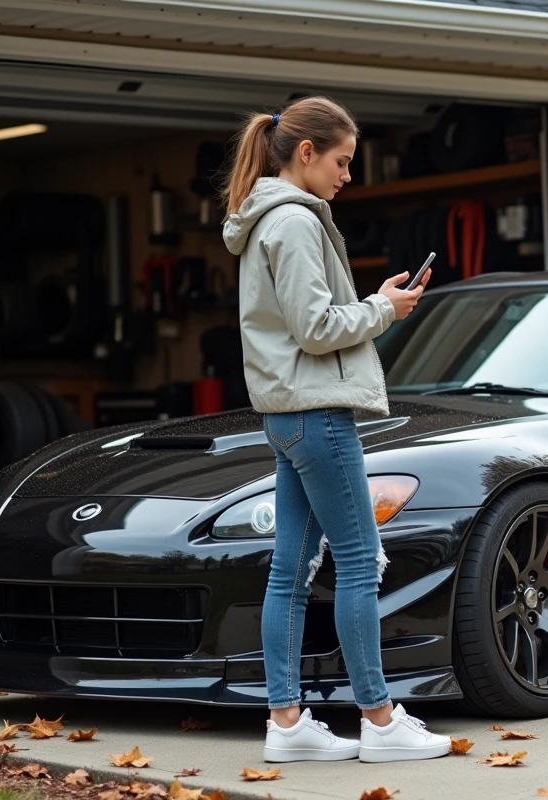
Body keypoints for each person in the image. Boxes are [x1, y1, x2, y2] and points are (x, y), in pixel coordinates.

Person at [222, 96, 449, 764]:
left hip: (289, 413)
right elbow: (316, 329)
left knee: (290, 571)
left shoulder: (272, 218)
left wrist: (374, 302)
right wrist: (384, 308)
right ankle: (379, 721)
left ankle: (287, 721)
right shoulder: (292, 222)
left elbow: (305, 321)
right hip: (317, 413)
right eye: (343, 161)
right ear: (306, 152)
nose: (349, 175)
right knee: (358, 560)